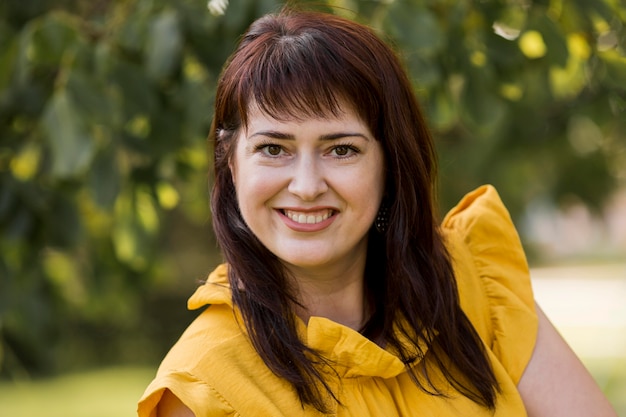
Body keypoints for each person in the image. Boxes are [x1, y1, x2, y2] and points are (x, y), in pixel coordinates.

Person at [138, 8, 617, 417]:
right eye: (273, 149)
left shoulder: (473, 281)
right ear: (232, 163)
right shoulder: (205, 386)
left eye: (341, 149)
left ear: (390, 164)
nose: (306, 186)